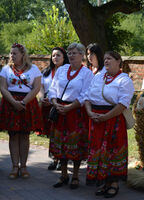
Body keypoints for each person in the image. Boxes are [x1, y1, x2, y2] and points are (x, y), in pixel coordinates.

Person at [85, 51, 134, 198]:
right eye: (105, 59)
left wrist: (106, 117)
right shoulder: (98, 76)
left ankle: (113, 183)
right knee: (98, 150)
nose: (106, 61)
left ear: (119, 61)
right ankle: (102, 182)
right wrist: (89, 112)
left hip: (113, 119)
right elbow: (87, 96)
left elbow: (123, 104)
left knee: (113, 149)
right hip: (96, 118)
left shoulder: (124, 80)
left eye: (110, 59)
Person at [48, 43, 93, 189]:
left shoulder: (87, 73)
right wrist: (55, 104)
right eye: (70, 53)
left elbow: (86, 94)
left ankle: (75, 176)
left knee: (76, 144)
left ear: (82, 55)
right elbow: (53, 88)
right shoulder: (62, 69)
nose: (71, 55)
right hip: (60, 110)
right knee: (60, 143)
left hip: (76, 112)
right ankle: (63, 175)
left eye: (75, 53)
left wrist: (69, 107)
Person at [0, 43, 43, 179]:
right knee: (13, 135)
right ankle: (14, 167)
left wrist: (23, 102)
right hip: (10, 103)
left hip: (27, 103)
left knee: (25, 135)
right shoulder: (6, 69)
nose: (11, 56)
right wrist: (13, 102)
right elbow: (3, 88)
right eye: (11, 53)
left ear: (23, 55)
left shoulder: (34, 69)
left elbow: (36, 88)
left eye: (15, 53)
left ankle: (23, 166)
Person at [38, 47, 69, 171]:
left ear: (64, 57)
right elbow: (40, 87)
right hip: (47, 105)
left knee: (62, 134)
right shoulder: (46, 71)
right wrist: (41, 98)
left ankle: (63, 160)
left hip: (59, 105)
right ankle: (55, 158)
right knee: (52, 135)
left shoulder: (67, 72)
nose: (55, 58)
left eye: (58, 55)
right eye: (53, 55)